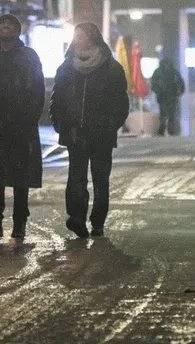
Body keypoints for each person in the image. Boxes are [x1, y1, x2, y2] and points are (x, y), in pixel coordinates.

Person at [50, 23, 129, 238]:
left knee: (100, 179)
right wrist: (61, 124)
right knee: (76, 179)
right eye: (76, 36)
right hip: (75, 133)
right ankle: (77, 218)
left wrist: (110, 125)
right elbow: (57, 100)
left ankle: (98, 222)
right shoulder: (66, 68)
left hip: (102, 134)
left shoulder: (112, 69)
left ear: (93, 38)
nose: (78, 40)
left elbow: (121, 103)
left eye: (82, 36)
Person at [0, 14, 45, 239]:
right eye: (2, 23)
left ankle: (19, 223)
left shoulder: (29, 56)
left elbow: (38, 89)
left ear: (18, 31)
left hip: (21, 123)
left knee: (20, 175)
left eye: (10, 24)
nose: (5, 27)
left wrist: (31, 118)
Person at [150, 58, 186, 136]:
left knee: (170, 114)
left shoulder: (173, 72)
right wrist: (157, 91)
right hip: (164, 96)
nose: (167, 65)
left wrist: (180, 92)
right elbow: (153, 83)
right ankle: (164, 129)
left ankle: (169, 130)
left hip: (171, 96)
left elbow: (180, 82)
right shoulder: (160, 72)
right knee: (165, 114)